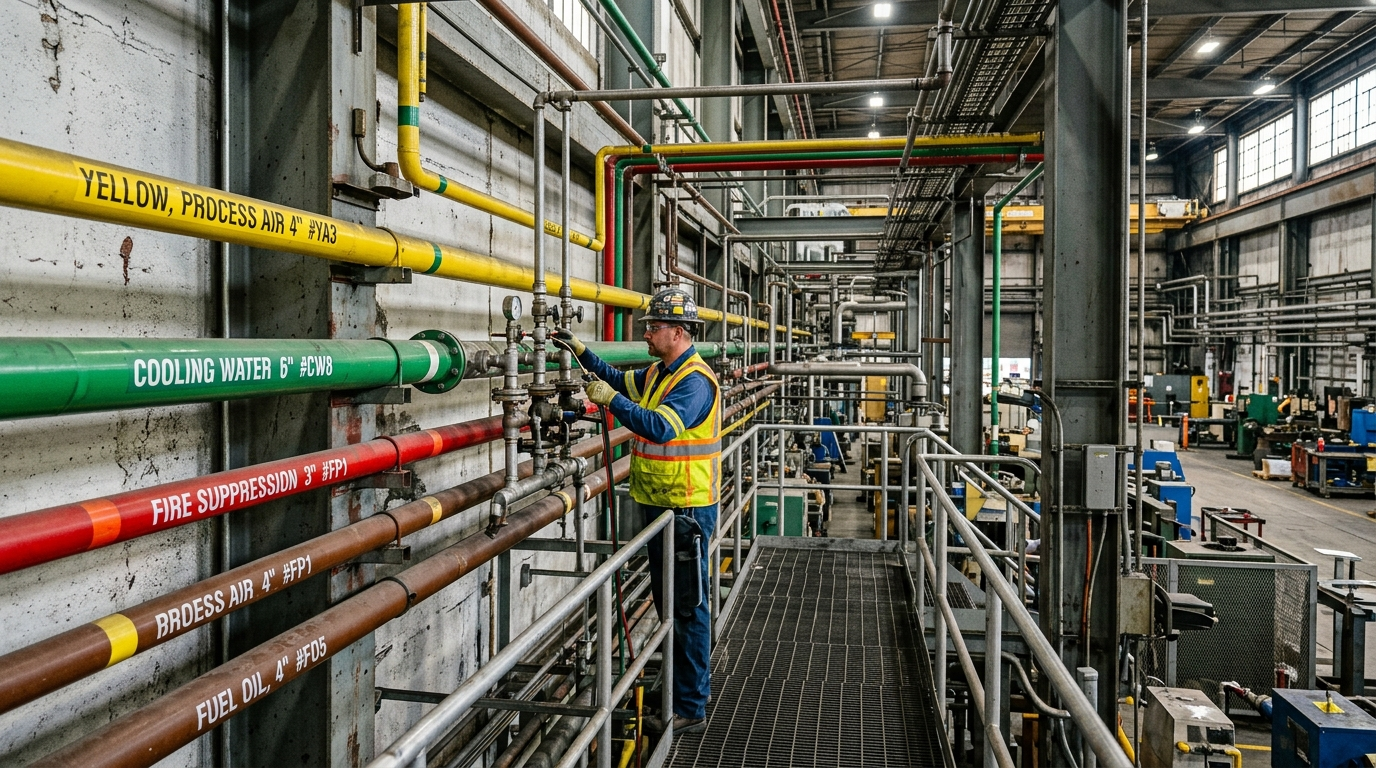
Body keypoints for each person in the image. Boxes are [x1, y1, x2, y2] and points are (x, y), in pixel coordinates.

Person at [553, 287, 720, 734]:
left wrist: (610, 401)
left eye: (654, 327)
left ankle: (690, 705)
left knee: (687, 607)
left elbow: (660, 428)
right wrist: (582, 352)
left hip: (685, 510)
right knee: (671, 604)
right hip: (664, 507)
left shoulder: (693, 382)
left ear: (678, 333)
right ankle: (680, 688)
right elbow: (617, 379)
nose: (646, 333)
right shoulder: (662, 373)